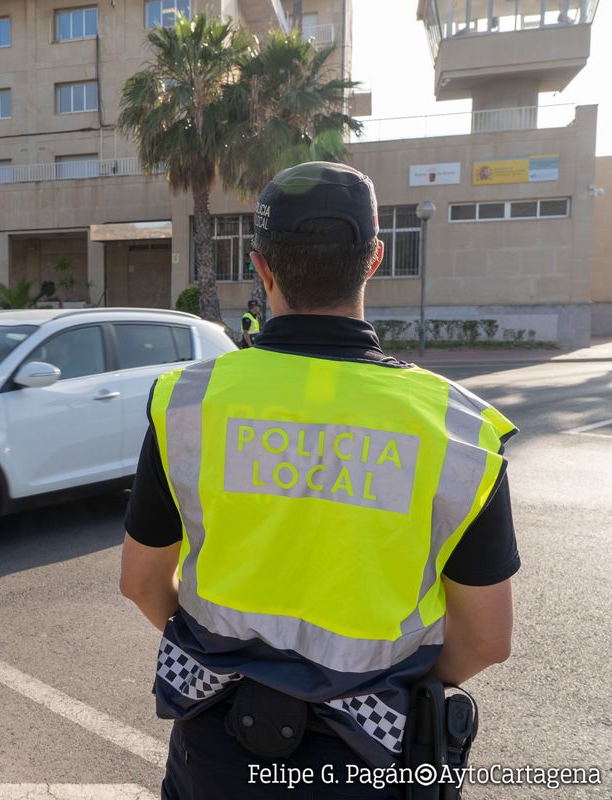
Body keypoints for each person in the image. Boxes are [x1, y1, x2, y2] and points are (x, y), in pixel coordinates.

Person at [119, 162, 518, 799]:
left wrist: (224, 656)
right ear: (375, 260)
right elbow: (486, 640)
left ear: (261, 267)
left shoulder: (190, 404)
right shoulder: (457, 430)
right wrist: (388, 683)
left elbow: (141, 583)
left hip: (218, 755)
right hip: (371, 765)